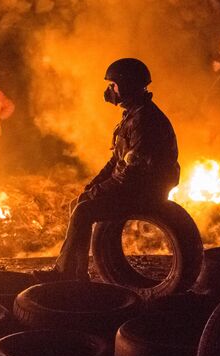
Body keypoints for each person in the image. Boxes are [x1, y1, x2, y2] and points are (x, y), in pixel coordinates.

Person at [33, 58, 180, 282]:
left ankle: (64, 274)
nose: (109, 90)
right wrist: (94, 184)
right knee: (79, 203)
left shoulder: (145, 121)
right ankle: (76, 273)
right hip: (133, 186)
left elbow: (131, 174)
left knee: (83, 211)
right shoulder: (133, 115)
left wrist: (100, 191)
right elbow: (116, 160)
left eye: (113, 85)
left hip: (147, 191)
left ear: (127, 85)